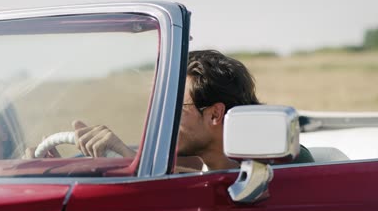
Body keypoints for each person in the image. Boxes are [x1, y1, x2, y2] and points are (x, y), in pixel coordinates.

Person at [56, 50, 314, 169]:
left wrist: (124, 155)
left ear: (215, 114)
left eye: (176, 109)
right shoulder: (203, 168)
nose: (164, 120)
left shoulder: (280, 164)